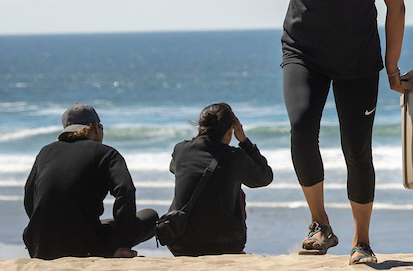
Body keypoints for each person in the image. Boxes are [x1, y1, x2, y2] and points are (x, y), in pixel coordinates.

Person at [231, 0, 406, 265]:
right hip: (304, 51)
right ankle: (320, 224)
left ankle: (361, 241)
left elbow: (395, 6)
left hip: (359, 57)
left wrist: (392, 63)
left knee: (356, 150)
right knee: (301, 128)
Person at [23, 104, 157, 259]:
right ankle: (117, 250)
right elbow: (125, 191)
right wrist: (123, 241)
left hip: (40, 246)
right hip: (85, 246)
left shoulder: (45, 152)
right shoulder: (107, 153)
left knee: (103, 224)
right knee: (150, 216)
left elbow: (29, 195)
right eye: (100, 126)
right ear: (93, 127)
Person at [166, 103, 273, 257]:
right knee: (238, 192)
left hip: (180, 243)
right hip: (226, 245)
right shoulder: (235, 157)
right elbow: (265, 177)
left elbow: (174, 168)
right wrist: (245, 142)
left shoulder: (180, 150)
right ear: (231, 129)